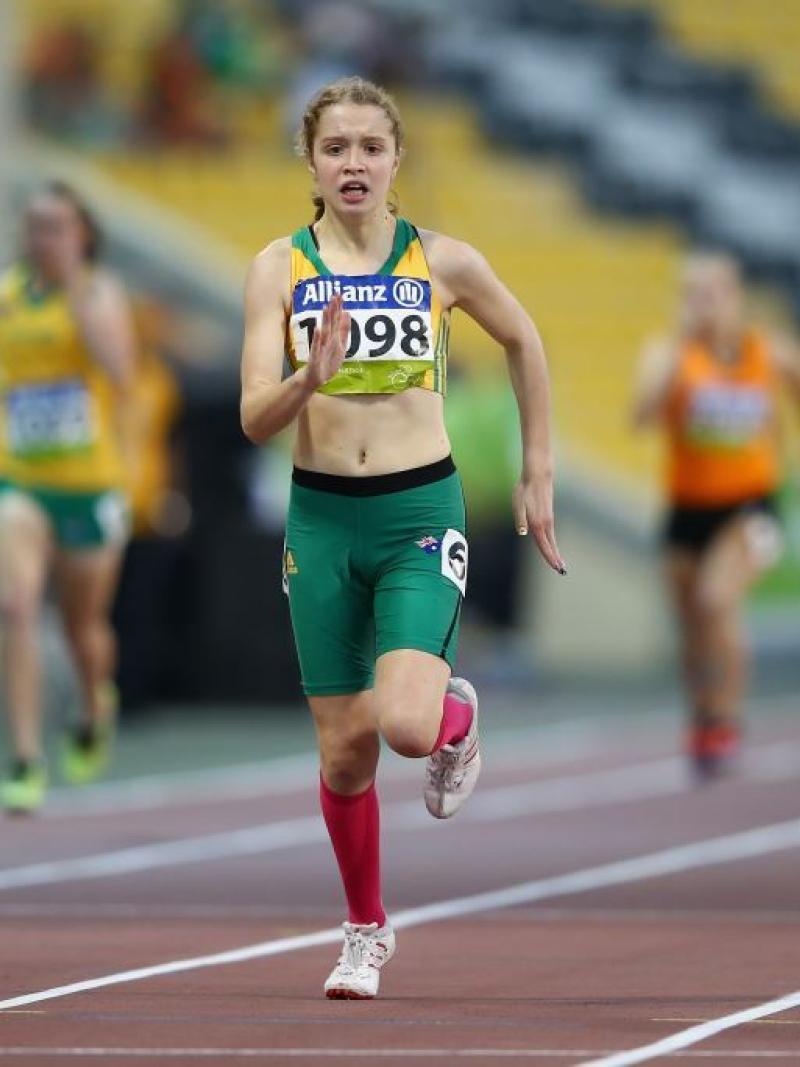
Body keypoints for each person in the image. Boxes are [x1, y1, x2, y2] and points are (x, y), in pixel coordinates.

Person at [240, 77, 564, 999]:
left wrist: (538, 468)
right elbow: (252, 415)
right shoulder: (279, 268)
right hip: (322, 519)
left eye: (369, 148)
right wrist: (311, 379)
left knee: (408, 728)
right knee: (345, 750)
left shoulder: (443, 262)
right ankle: (364, 930)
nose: (353, 163)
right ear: (310, 161)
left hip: (420, 511)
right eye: (335, 148)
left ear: (395, 160)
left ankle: (453, 712)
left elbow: (525, 339)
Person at [632, 252, 800, 777]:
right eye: (692, 294)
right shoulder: (669, 353)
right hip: (687, 509)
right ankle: (704, 716)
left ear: (735, 296)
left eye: (712, 293)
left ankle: (726, 719)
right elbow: (641, 416)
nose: (702, 304)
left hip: (751, 504)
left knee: (717, 598)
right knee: (691, 621)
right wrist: (679, 360)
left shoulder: (767, 351)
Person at [0, 181, 135, 813]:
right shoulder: (7, 295)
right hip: (21, 479)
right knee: (15, 606)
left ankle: (92, 701)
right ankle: (26, 757)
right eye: (34, 226)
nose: (42, 239)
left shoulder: (101, 292)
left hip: (89, 485)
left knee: (83, 628)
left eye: (56, 226)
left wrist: (76, 293)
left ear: (81, 234)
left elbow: (120, 373)